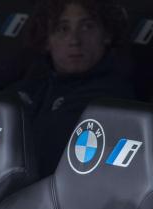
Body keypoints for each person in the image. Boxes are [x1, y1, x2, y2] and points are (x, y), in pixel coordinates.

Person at [11, 0, 134, 177]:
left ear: (106, 34)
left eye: (87, 27)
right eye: (63, 28)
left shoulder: (112, 99)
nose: (75, 41)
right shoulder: (31, 84)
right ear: (47, 40)